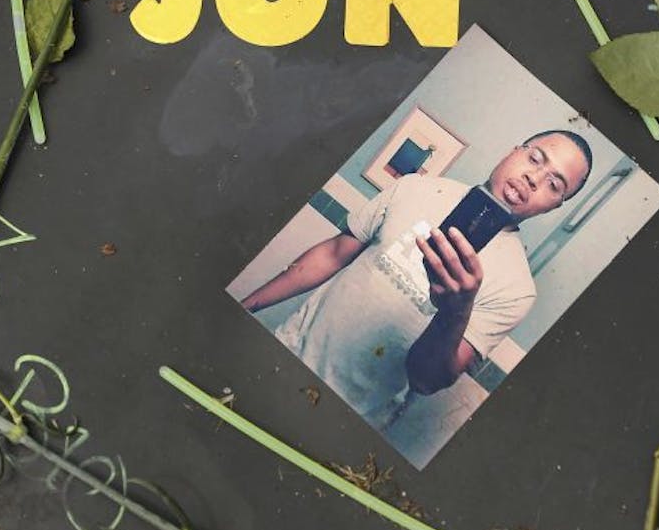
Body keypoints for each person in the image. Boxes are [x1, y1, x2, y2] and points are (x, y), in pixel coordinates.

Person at [241, 129, 593, 427]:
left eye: (554, 184)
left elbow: (427, 380)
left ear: (553, 206)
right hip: (286, 350)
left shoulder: (517, 290)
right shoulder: (415, 189)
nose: (534, 178)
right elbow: (332, 254)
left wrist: (456, 309)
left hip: (352, 417)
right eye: (535, 159)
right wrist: (246, 306)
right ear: (513, 152)